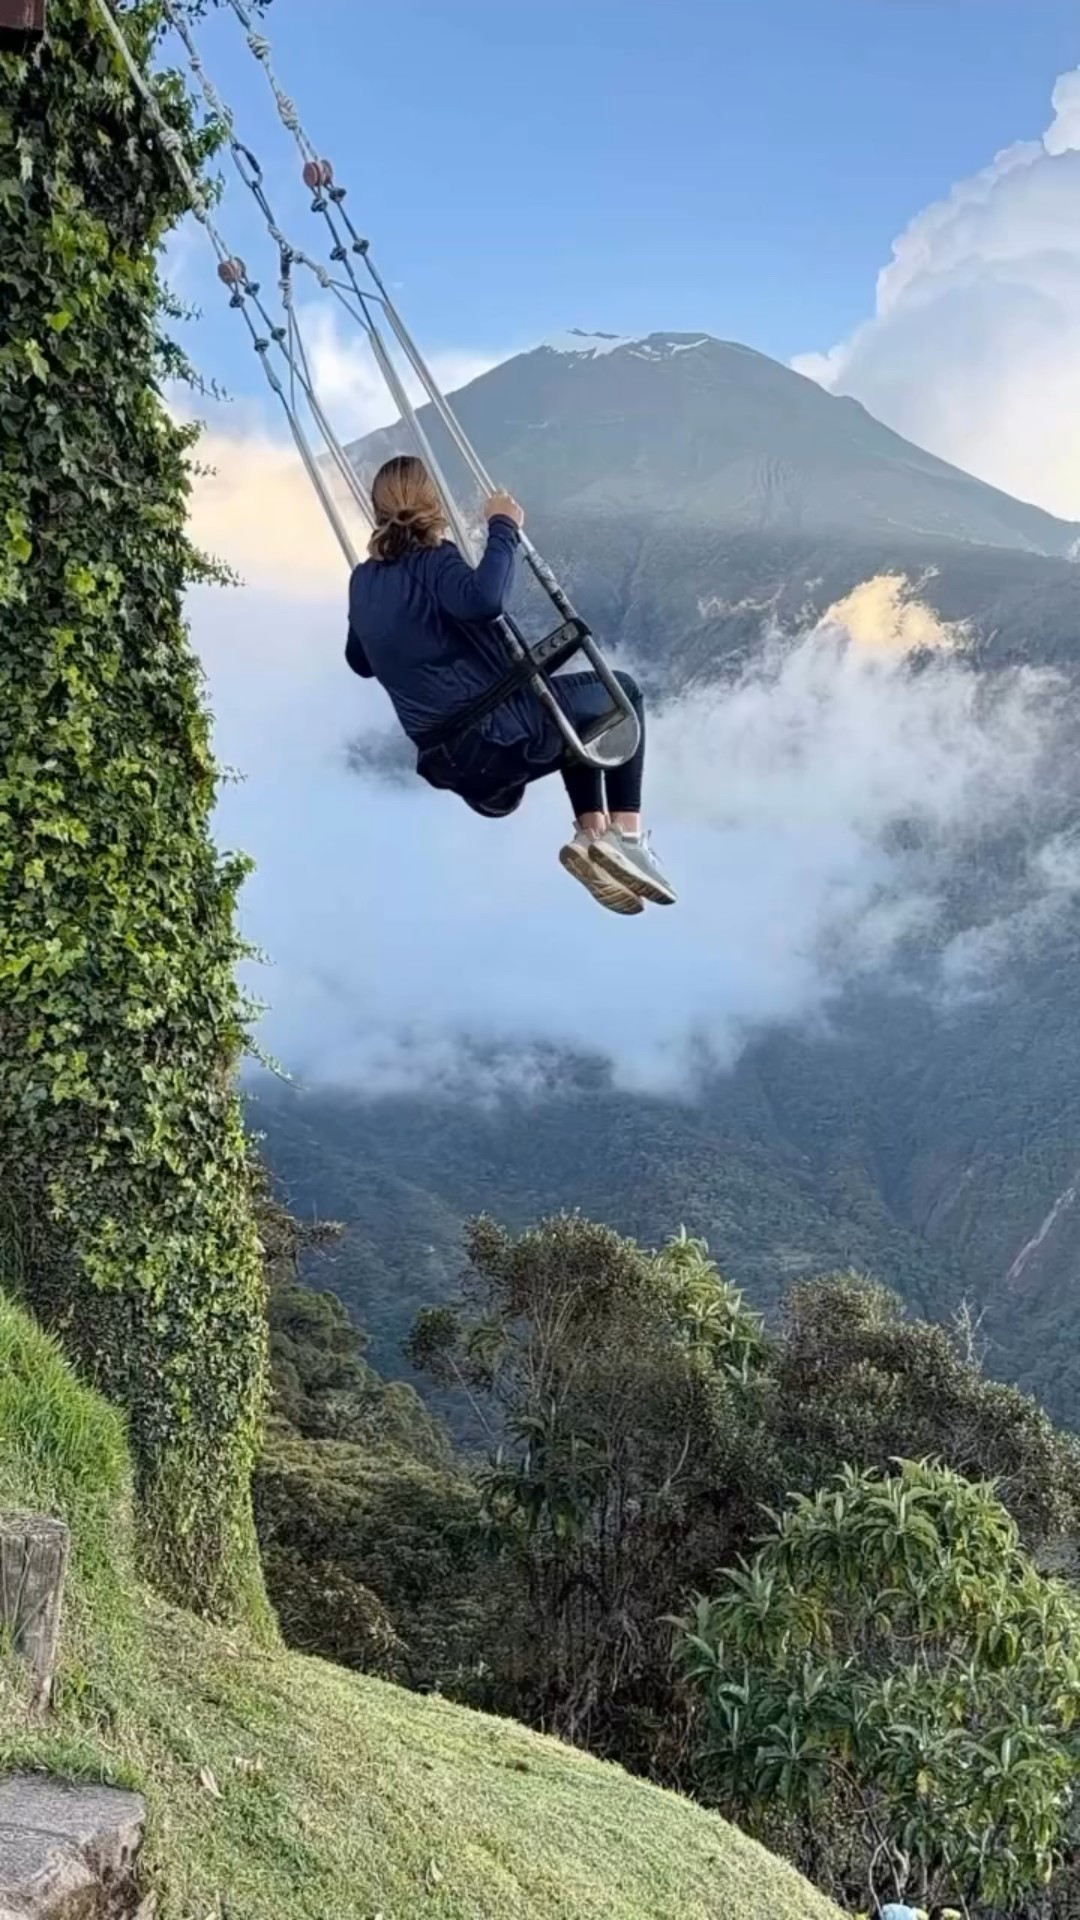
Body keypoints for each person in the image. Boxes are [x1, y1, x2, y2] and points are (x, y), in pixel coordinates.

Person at [345, 454, 677, 915]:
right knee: (624, 693)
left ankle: (591, 836)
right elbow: (484, 600)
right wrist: (503, 526)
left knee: (569, 715)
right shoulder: (435, 561)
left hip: (452, 761)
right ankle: (628, 835)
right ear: (428, 501)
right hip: (500, 735)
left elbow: (358, 660)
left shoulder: (361, 583)